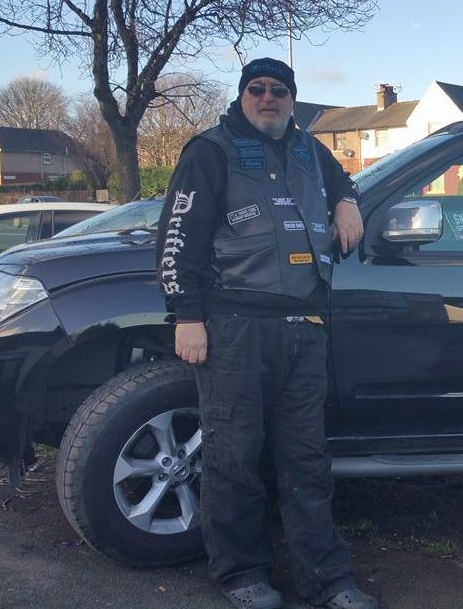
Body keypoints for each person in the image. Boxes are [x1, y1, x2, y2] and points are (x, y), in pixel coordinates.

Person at [157, 58, 377, 609]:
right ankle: (242, 573)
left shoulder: (311, 149)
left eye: (279, 90)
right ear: (242, 96)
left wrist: (349, 200)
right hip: (233, 328)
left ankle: (326, 579)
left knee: (307, 460)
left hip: (303, 327)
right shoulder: (209, 151)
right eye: (256, 89)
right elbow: (175, 238)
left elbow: (344, 178)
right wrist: (186, 316)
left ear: (292, 99)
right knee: (233, 457)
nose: (267, 97)